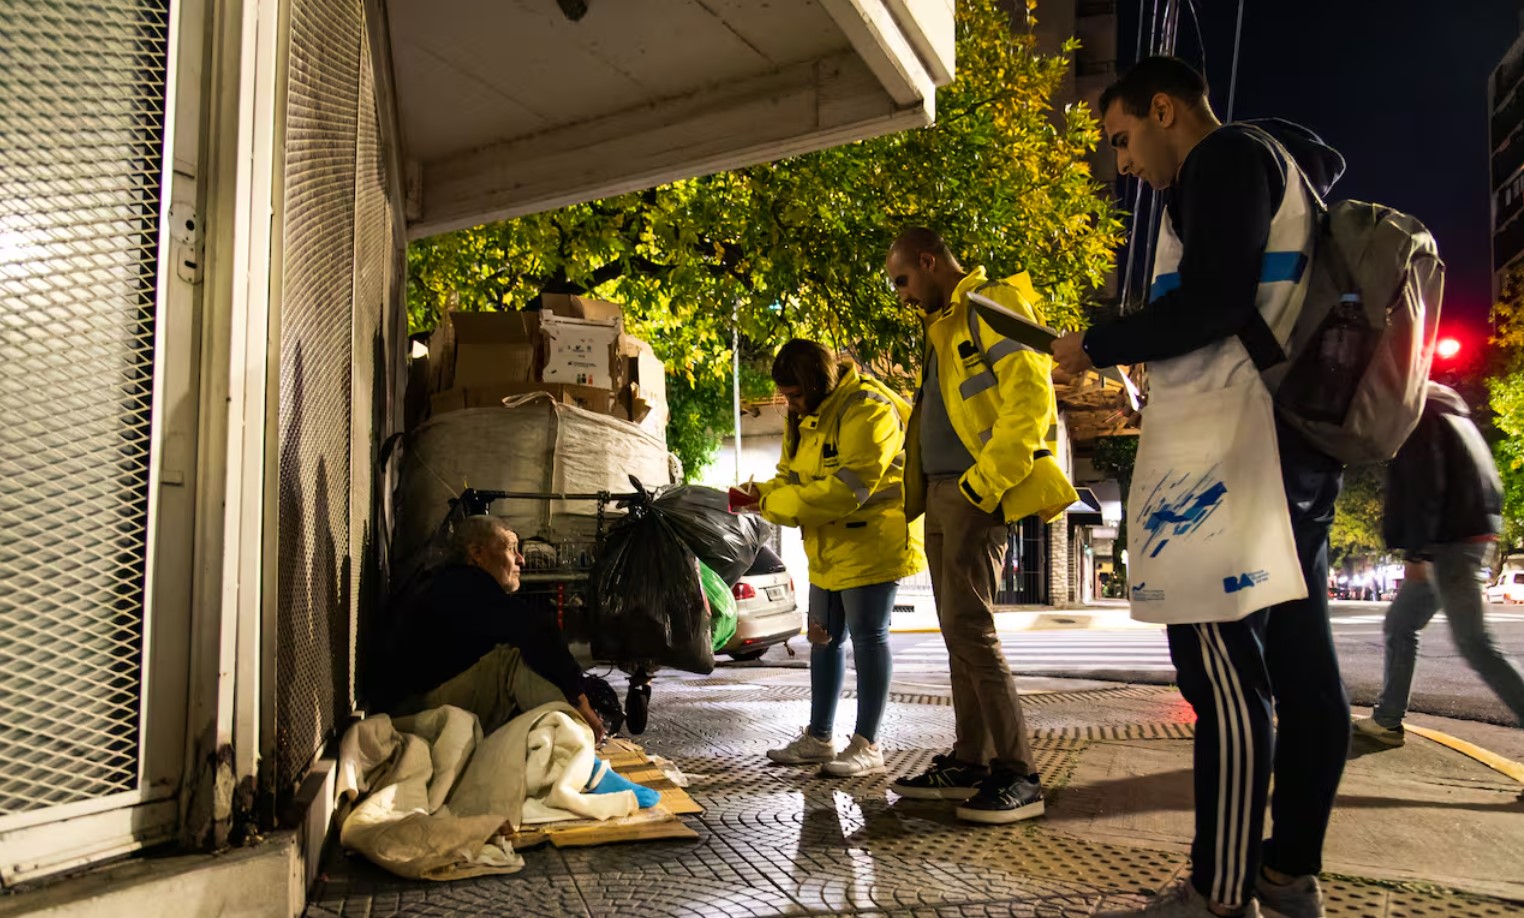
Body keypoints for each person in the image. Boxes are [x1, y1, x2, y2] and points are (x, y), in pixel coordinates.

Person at [1052, 57, 1349, 918]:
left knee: (1220, 672)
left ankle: (1219, 892)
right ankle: (1289, 874)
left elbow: (1214, 302)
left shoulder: (1221, 160)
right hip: (1291, 449)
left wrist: (1097, 346)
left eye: (1123, 139)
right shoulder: (1287, 171)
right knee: (1304, 671)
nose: (1125, 166)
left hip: (1230, 452)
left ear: (1165, 108)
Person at [882, 228, 1079, 825]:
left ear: (928, 260)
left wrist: (983, 484)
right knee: (957, 631)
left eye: (903, 280)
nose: (902, 295)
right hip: (944, 493)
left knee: (973, 630)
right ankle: (970, 759)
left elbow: (1030, 402)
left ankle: (1019, 773)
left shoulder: (990, 307)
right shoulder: (943, 324)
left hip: (972, 492)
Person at [736, 339, 923, 777]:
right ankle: (820, 738)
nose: (790, 404)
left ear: (819, 382)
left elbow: (845, 492)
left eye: (796, 394)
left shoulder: (868, 410)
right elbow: (790, 475)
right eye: (786, 396)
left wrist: (774, 505)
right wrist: (761, 493)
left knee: (869, 638)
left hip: (872, 542)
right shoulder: (805, 416)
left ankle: (868, 745)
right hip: (826, 546)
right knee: (823, 639)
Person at [1355, 383, 1524, 744]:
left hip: (1450, 541)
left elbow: (1426, 484)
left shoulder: (1420, 415)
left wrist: (1418, 551)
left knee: (1476, 644)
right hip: (1463, 533)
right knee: (1400, 624)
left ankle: (1387, 719)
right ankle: (1387, 720)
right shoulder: (1453, 414)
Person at [384, 515, 606, 741]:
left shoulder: (449, 584)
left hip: (414, 707)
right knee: (509, 664)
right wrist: (579, 699)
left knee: (531, 658)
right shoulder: (464, 585)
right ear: (477, 553)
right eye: (511, 549)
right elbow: (538, 629)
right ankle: (574, 747)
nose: (521, 560)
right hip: (411, 714)